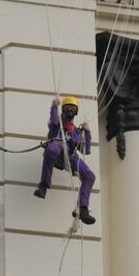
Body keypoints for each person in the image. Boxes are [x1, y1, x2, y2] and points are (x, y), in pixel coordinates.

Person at [33, 96, 96, 225]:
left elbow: (86, 151)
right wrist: (54, 106)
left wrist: (88, 133)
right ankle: (44, 185)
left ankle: (82, 208)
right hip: (57, 146)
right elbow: (54, 120)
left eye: (72, 108)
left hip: (71, 157)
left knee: (90, 176)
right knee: (52, 150)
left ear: (76, 111)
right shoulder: (58, 124)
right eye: (67, 107)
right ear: (63, 109)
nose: (69, 110)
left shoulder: (77, 132)